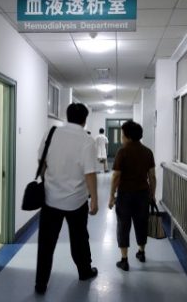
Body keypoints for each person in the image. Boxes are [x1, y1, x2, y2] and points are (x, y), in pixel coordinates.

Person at [35, 103, 99, 294]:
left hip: (50, 199)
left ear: (67, 115)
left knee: (46, 243)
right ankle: (84, 271)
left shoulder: (51, 133)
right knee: (79, 239)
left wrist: (48, 179)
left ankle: (40, 284)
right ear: (84, 119)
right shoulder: (87, 141)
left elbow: (42, 160)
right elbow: (89, 173)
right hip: (76, 202)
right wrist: (94, 199)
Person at [108, 120, 156, 271]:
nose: (121, 138)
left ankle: (124, 260)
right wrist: (152, 195)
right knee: (141, 223)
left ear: (128, 137)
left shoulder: (123, 152)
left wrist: (111, 196)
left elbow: (116, 176)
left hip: (125, 195)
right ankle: (141, 252)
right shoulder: (147, 152)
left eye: (122, 135)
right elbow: (152, 176)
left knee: (123, 225)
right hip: (143, 194)